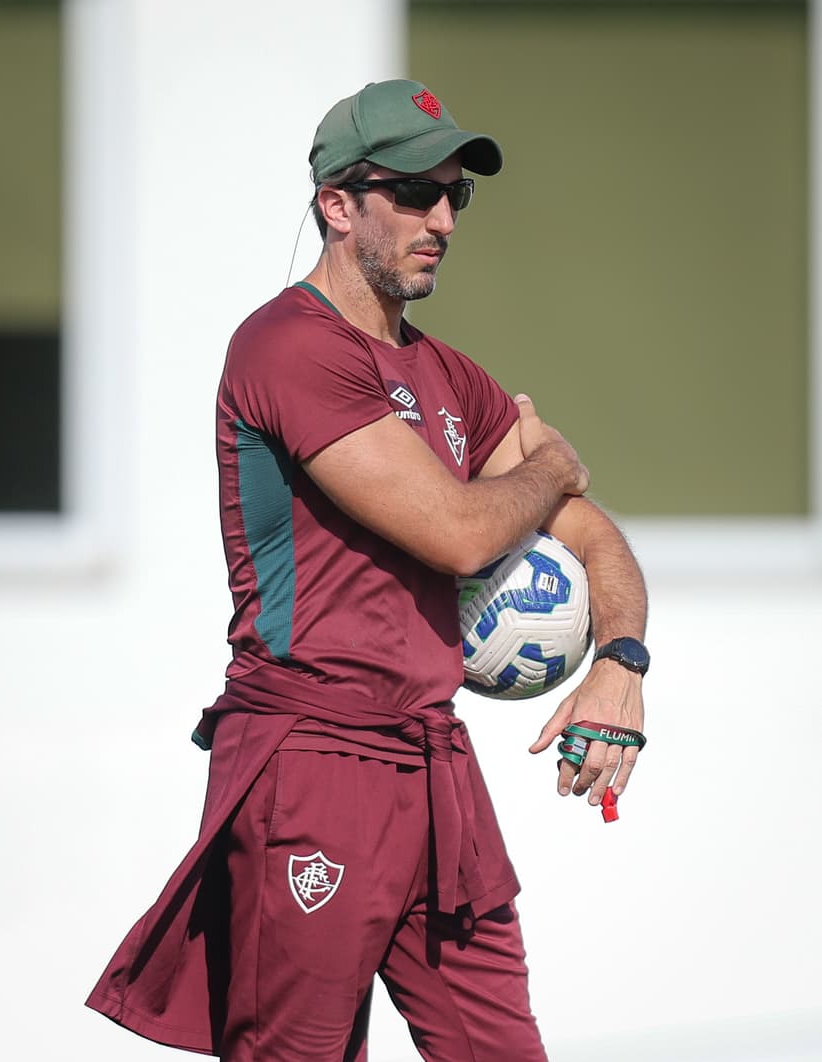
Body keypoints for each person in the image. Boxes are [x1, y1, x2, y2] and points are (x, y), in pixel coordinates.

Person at [86, 79, 648, 1061]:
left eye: (455, 197)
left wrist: (622, 661)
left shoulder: (452, 379)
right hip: (312, 759)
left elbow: (594, 543)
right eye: (413, 193)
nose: (441, 219)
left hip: (435, 766)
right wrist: (550, 463)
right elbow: (460, 533)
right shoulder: (287, 347)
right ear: (337, 204)